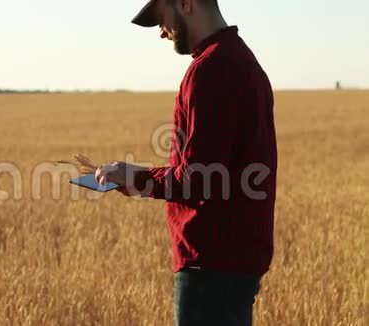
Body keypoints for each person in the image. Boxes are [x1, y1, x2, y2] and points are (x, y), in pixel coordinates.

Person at [94, 1, 277, 325]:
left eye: (161, 17)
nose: (161, 33)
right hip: (231, 266)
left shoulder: (211, 68)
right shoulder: (241, 59)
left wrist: (133, 176)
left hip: (210, 269)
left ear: (186, 3)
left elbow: (198, 178)